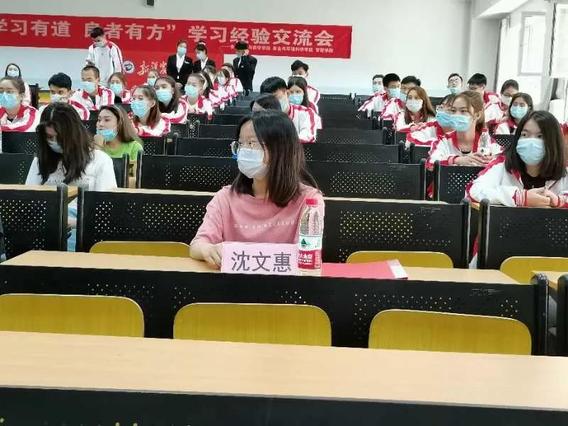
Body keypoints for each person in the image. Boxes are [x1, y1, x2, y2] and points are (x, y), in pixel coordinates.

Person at [190, 110, 324, 268]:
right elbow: (198, 245)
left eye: (252, 143)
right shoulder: (225, 197)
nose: (244, 151)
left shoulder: (309, 201)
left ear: (281, 149)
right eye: (240, 144)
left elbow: (307, 256)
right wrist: (207, 249)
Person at [25, 103, 117, 251]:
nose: (55, 142)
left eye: (60, 137)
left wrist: (73, 222)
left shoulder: (100, 160)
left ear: (74, 134)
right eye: (49, 137)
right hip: (45, 229)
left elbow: (106, 213)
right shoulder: (39, 162)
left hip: (82, 230)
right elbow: (28, 203)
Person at [467, 110, 568, 208]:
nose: (531, 141)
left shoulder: (564, 170)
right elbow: (473, 191)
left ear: (554, 142)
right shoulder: (502, 165)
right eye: (524, 135)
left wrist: (560, 201)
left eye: (540, 136)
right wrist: (519, 198)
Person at [427, 90, 502, 170]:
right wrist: (456, 160)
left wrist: (493, 160)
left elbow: (503, 162)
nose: (456, 115)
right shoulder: (444, 141)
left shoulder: (488, 142)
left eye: (463, 111)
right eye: (453, 111)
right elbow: (430, 164)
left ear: (477, 115)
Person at [260, 76, 317, 143]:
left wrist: (284, 143)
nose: (272, 102)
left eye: (275, 97)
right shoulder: (262, 117)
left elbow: (307, 135)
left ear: (287, 93)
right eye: (267, 100)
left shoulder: (305, 112)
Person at [94, 105, 144, 175]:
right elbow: (90, 176)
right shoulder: (92, 146)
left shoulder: (134, 147)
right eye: (99, 120)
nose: (100, 124)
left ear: (119, 124)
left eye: (107, 120)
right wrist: (97, 147)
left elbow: (133, 177)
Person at [0, 77, 40, 151]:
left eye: (9, 91)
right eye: (1, 91)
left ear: (21, 96)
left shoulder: (33, 113)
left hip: (24, 154)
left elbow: (24, 130)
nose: (4, 95)